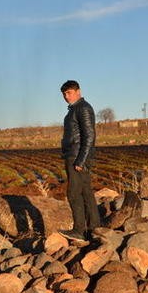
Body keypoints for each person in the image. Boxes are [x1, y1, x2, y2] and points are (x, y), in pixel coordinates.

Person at [59, 80, 100, 242]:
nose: (66, 96)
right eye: (64, 94)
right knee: (86, 192)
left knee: (74, 193)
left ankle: (79, 231)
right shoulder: (75, 109)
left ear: (78, 91)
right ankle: (95, 229)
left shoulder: (82, 108)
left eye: (69, 93)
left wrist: (81, 160)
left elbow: (89, 136)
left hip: (77, 157)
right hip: (75, 156)